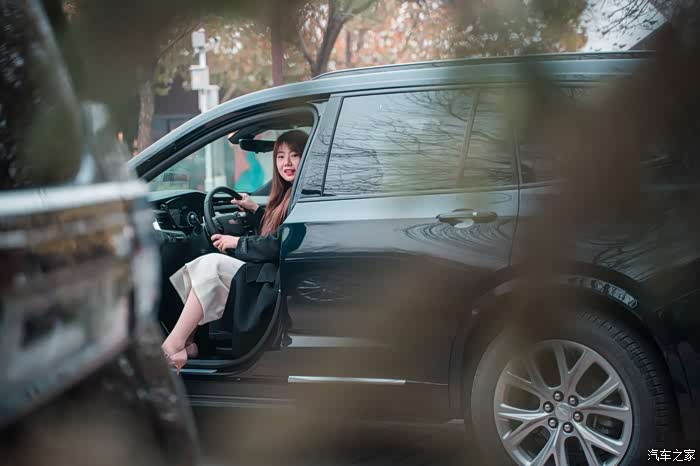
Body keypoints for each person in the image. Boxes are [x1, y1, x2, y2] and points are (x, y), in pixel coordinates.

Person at [161, 129, 308, 370]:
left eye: (295, 155)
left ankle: (173, 347)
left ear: (307, 157)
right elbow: (278, 232)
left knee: (211, 264)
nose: (287, 163)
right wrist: (255, 210)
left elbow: (279, 243)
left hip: (275, 280)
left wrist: (237, 242)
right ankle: (186, 343)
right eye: (281, 157)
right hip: (270, 272)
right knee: (202, 266)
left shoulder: (302, 197)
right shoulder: (287, 194)